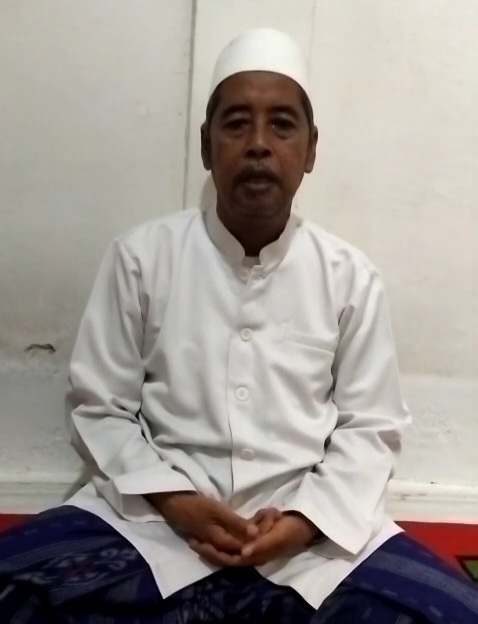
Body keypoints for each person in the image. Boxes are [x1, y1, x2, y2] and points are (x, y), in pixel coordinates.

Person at [1, 28, 477, 624]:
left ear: (310, 149)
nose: (258, 145)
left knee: (455, 613)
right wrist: (178, 502)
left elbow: (372, 428)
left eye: (282, 125)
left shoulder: (349, 275)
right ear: (207, 145)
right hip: (157, 526)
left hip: (309, 538)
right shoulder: (142, 257)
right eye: (236, 124)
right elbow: (100, 408)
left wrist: (302, 522)